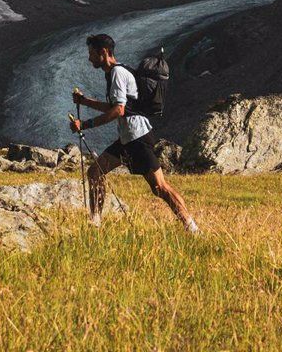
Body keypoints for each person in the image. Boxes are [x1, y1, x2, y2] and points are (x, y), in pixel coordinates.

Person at [70, 33, 198, 233]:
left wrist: (85, 125)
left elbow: (118, 110)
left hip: (137, 137)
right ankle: (94, 224)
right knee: (95, 171)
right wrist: (85, 101)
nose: (89, 58)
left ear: (103, 52)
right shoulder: (114, 73)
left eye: (92, 53)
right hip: (128, 137)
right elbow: (117, 106)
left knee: (159, 187)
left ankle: (192, 227)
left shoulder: (117, 74)